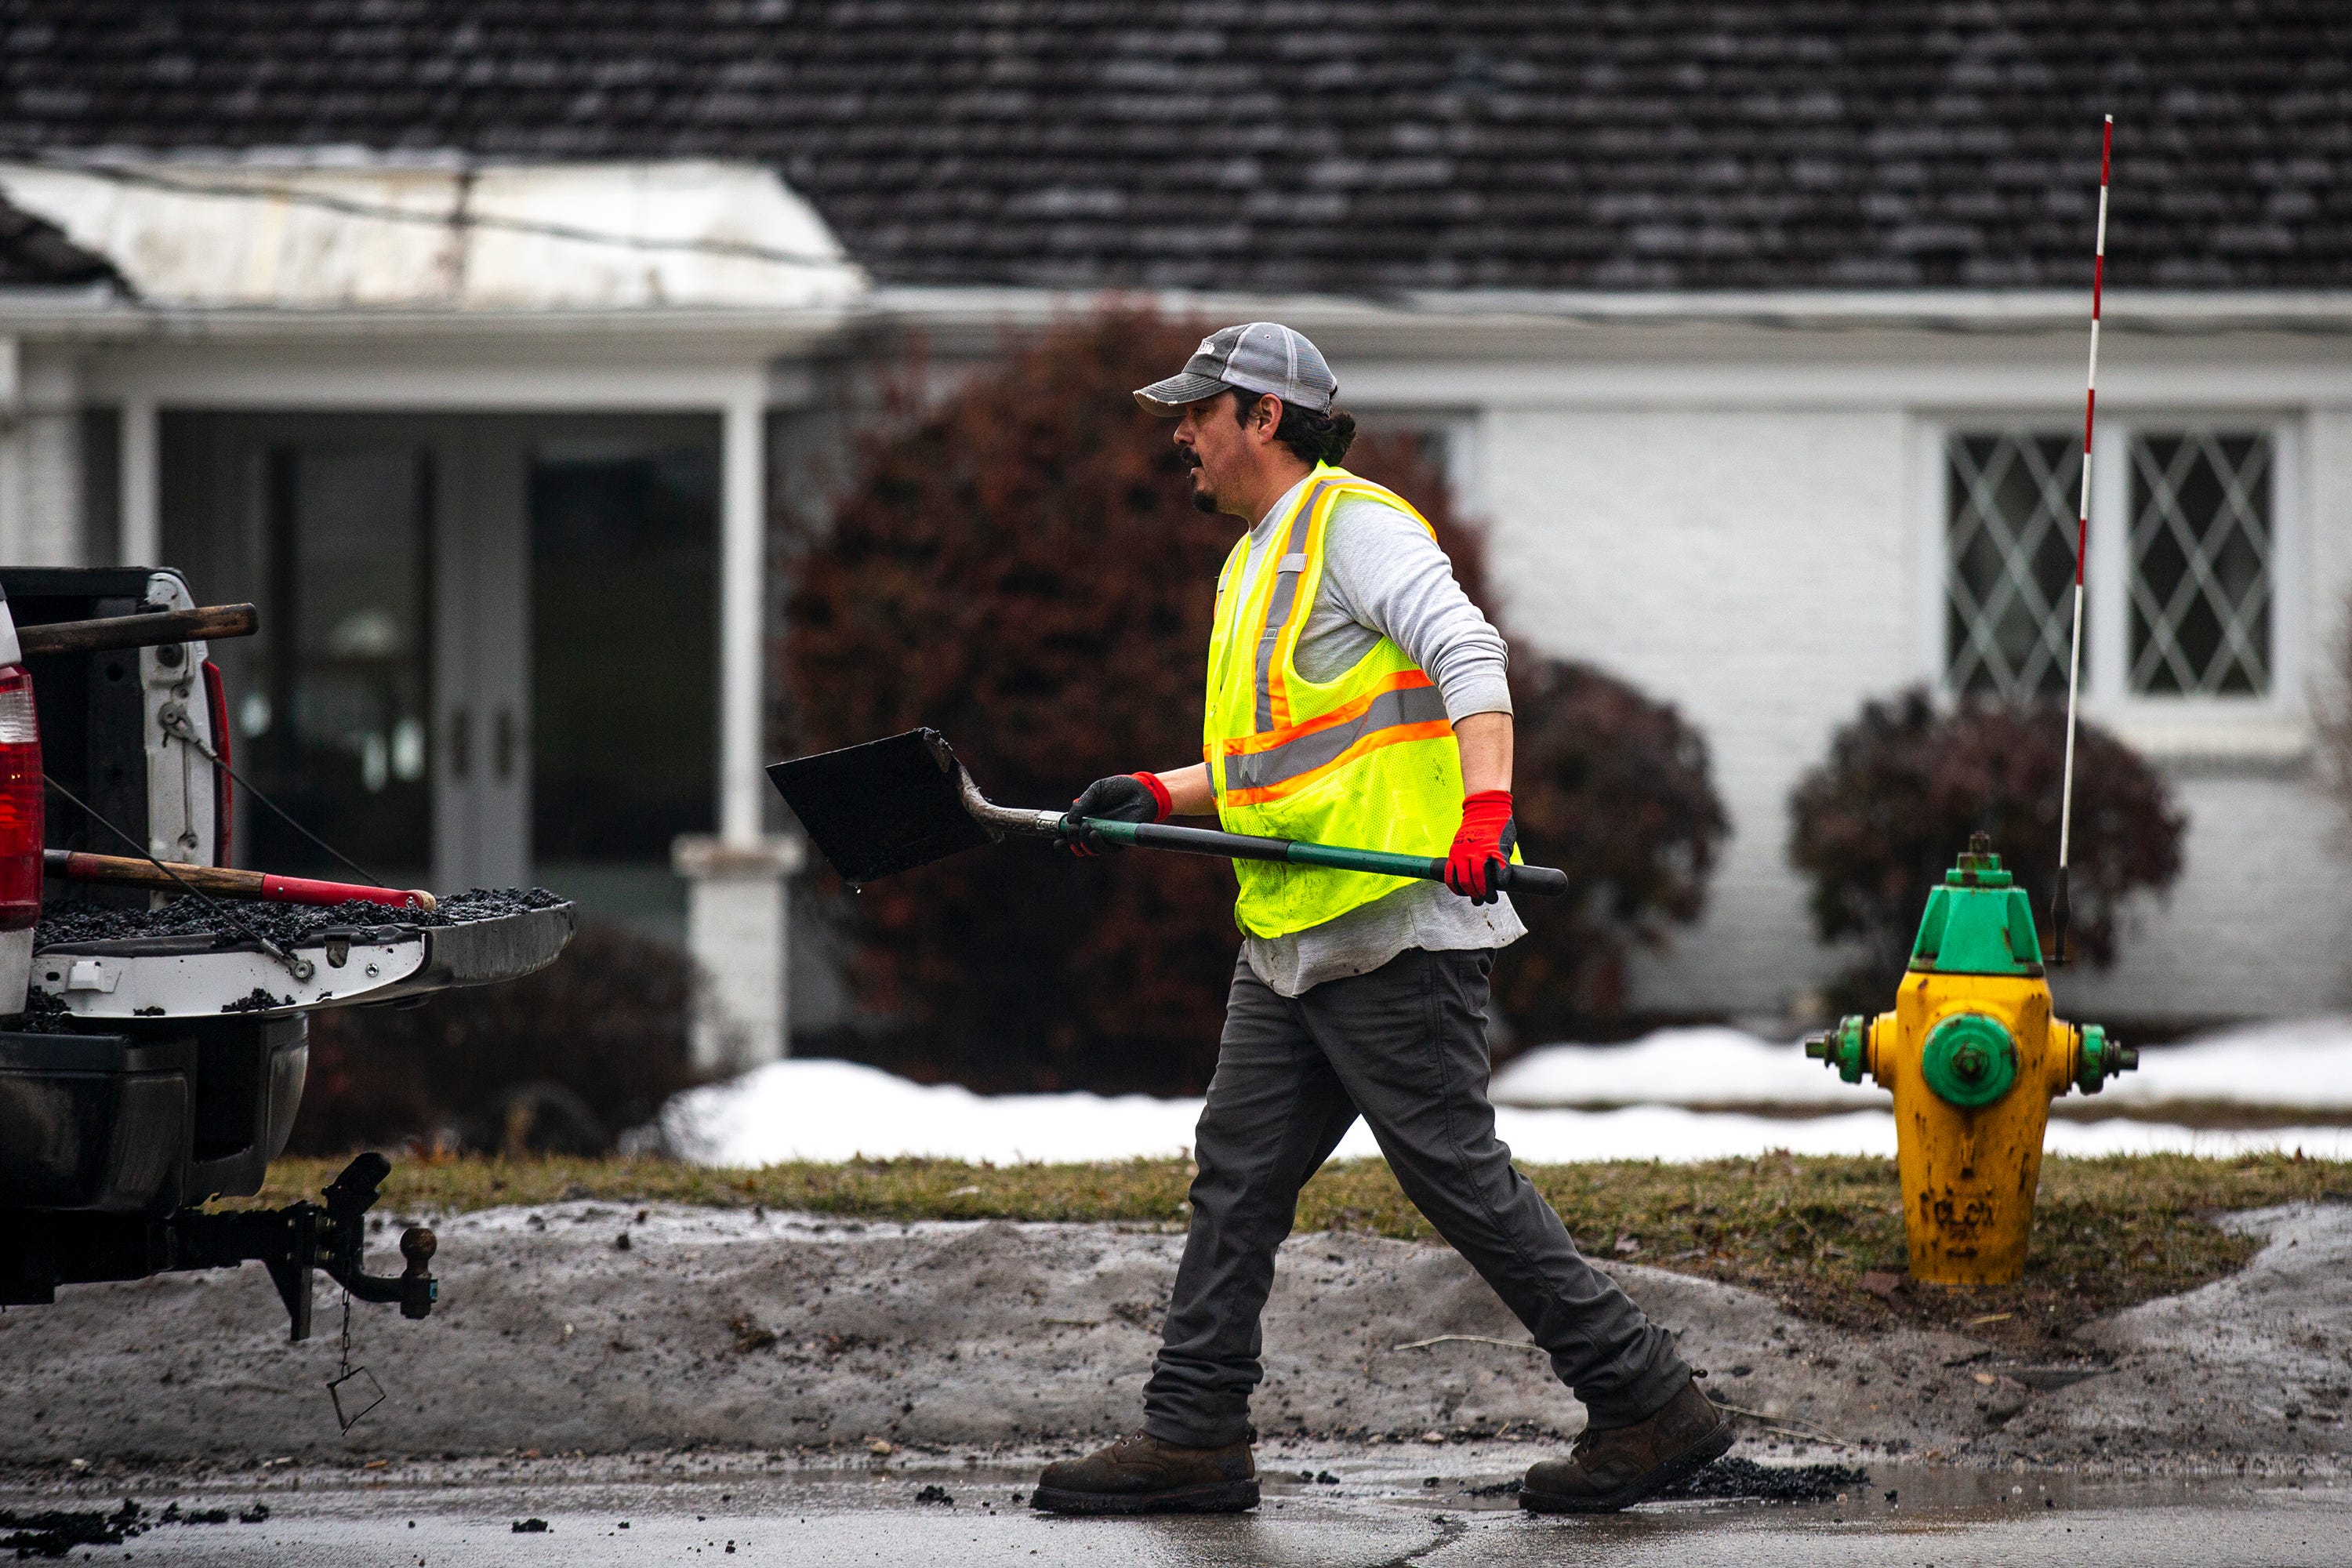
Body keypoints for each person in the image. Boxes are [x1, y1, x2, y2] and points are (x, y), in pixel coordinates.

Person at [1030, 324, 1729, 1517]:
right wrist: (1159, 793)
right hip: (1296, 934)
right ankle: (1195, 1433)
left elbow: (1471, 652)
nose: (1181, 435)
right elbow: (1270, 757)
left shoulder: (1356, 526)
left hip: (1395, 925)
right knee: (1237, 1175)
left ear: (1263, 417)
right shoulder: (1254, 559)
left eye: (1199, 412)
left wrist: (1487, 814)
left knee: (1454, 1176)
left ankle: (1648, 1401)